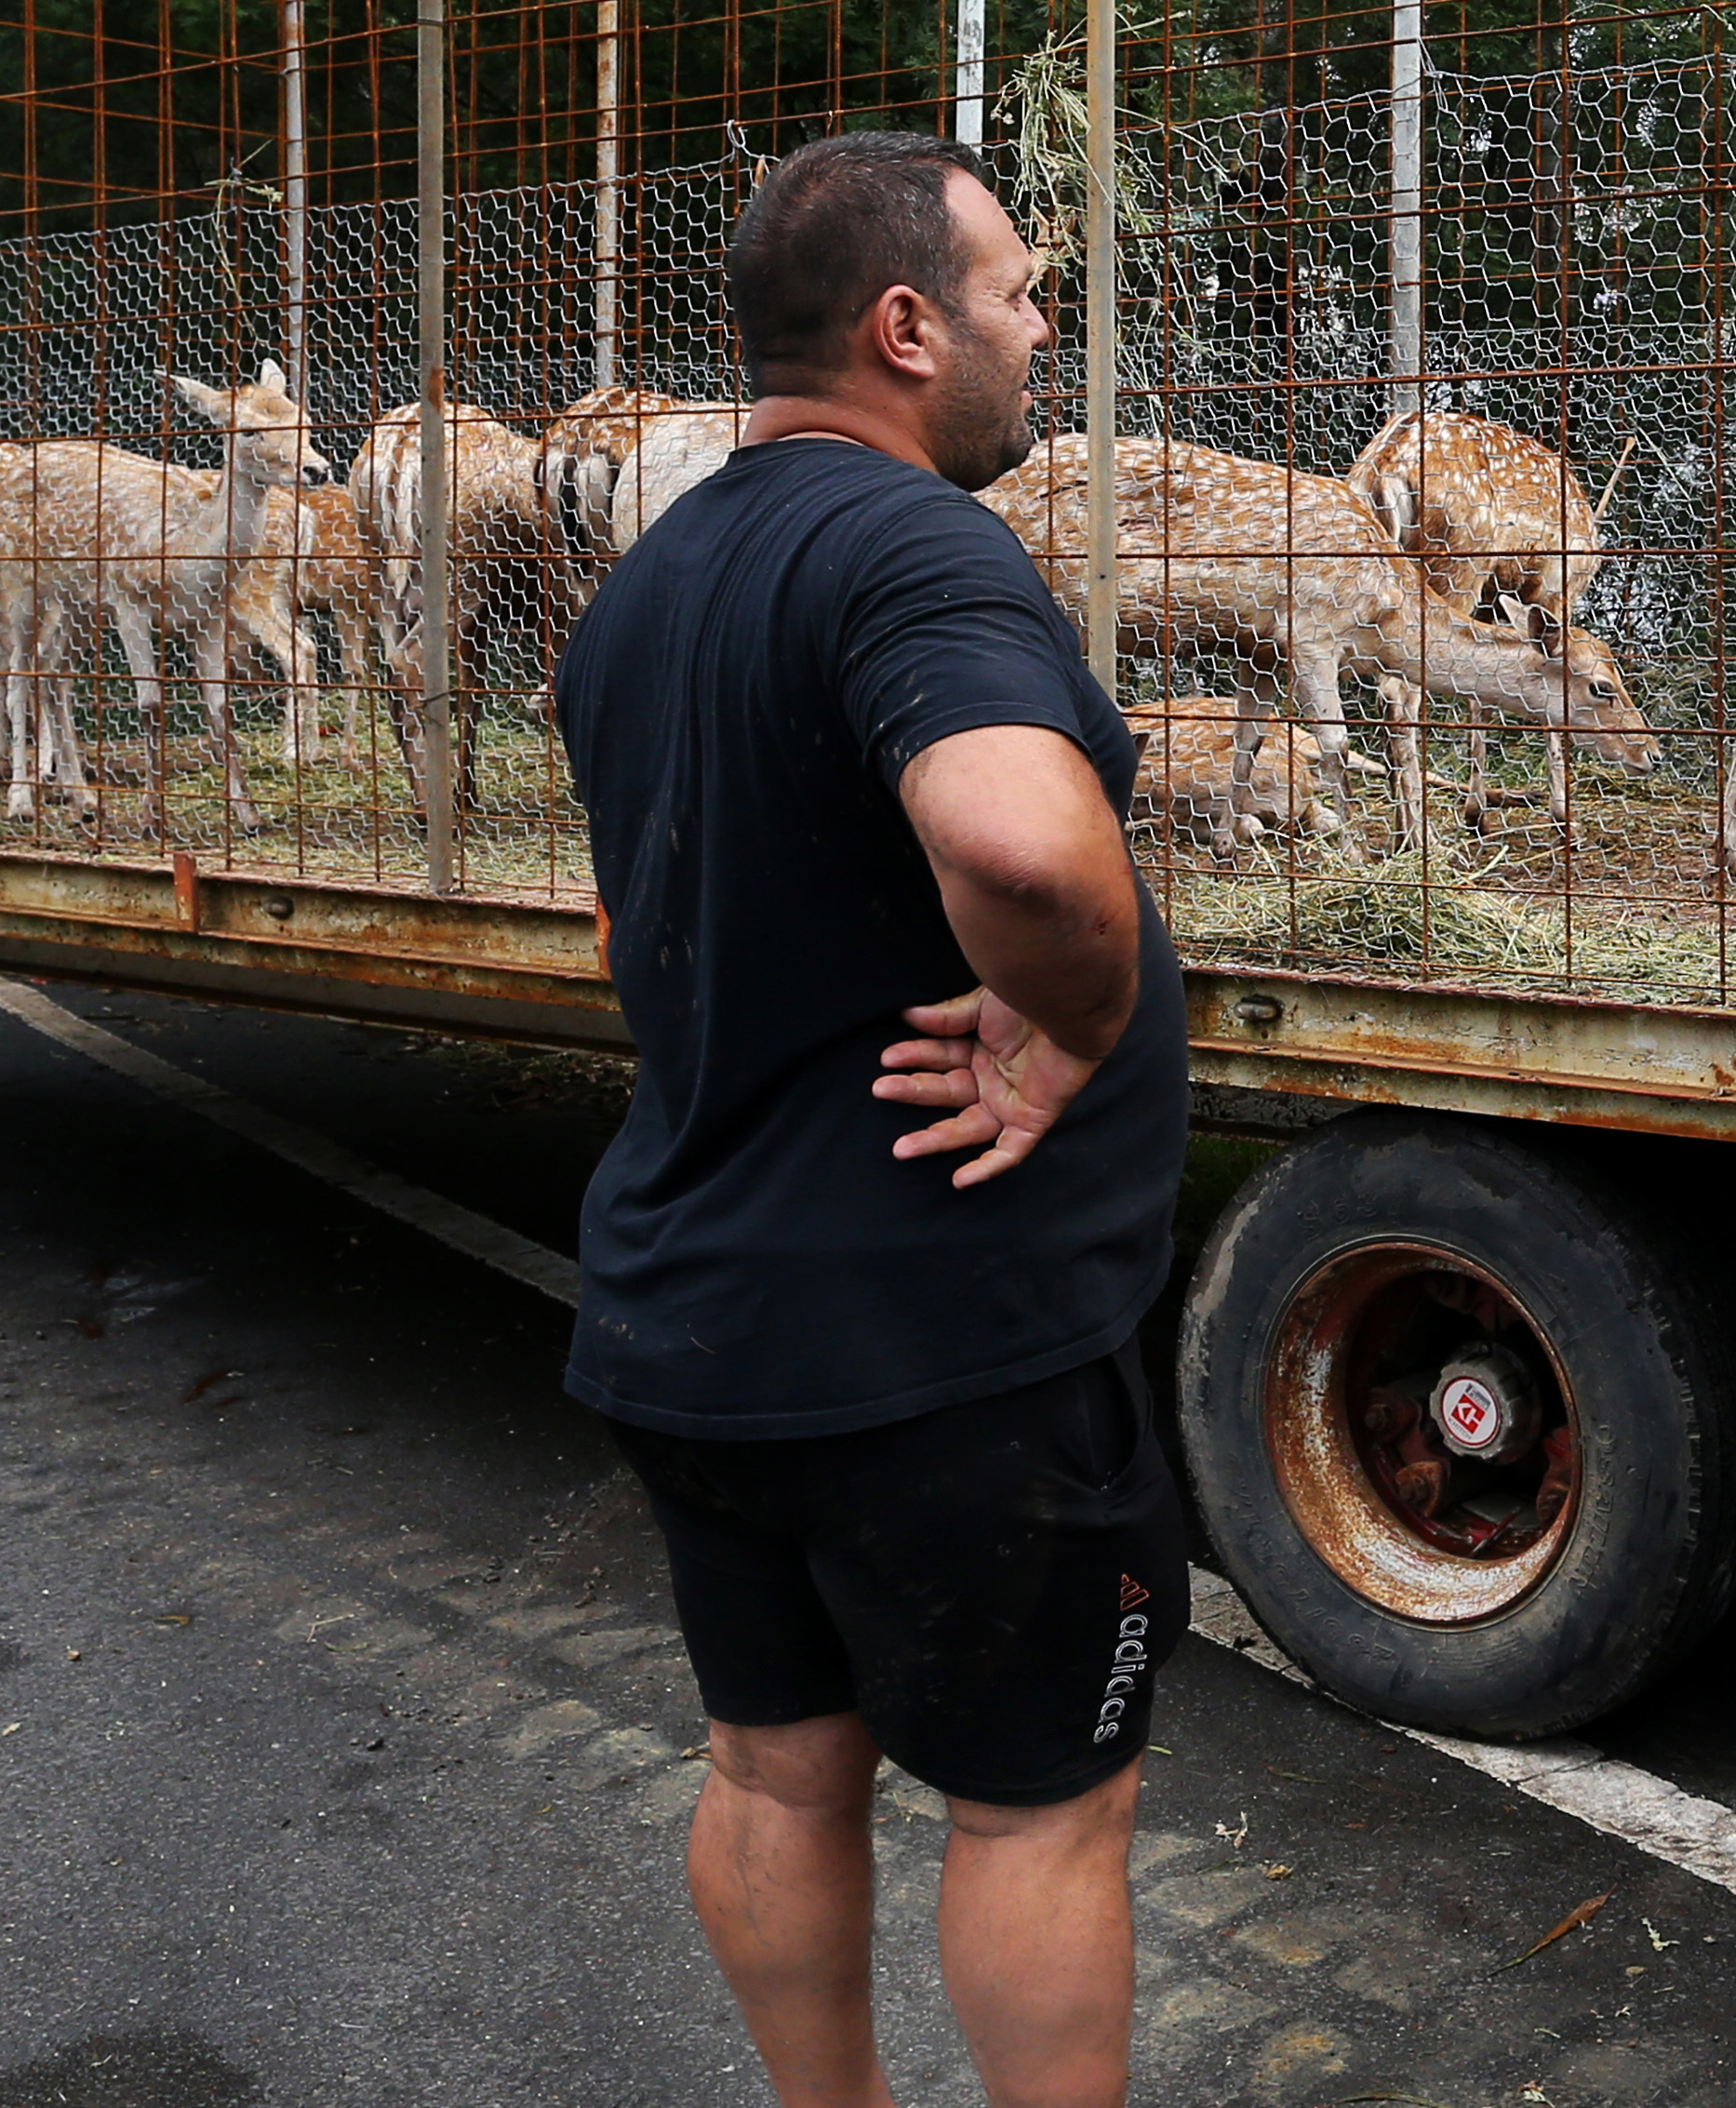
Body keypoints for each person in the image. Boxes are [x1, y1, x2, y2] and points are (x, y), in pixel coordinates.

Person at [555, 130, 1190, 2108]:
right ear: (906, 328)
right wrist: (1076, 1016)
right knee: (1035, 1819)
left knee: (771, 1774)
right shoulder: (912, 543)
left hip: (699, 1321)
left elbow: (622, 927)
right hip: (943, 1354)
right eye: (1019, 295)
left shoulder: (645, 591)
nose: (1040, 329)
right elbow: (1015, 837)